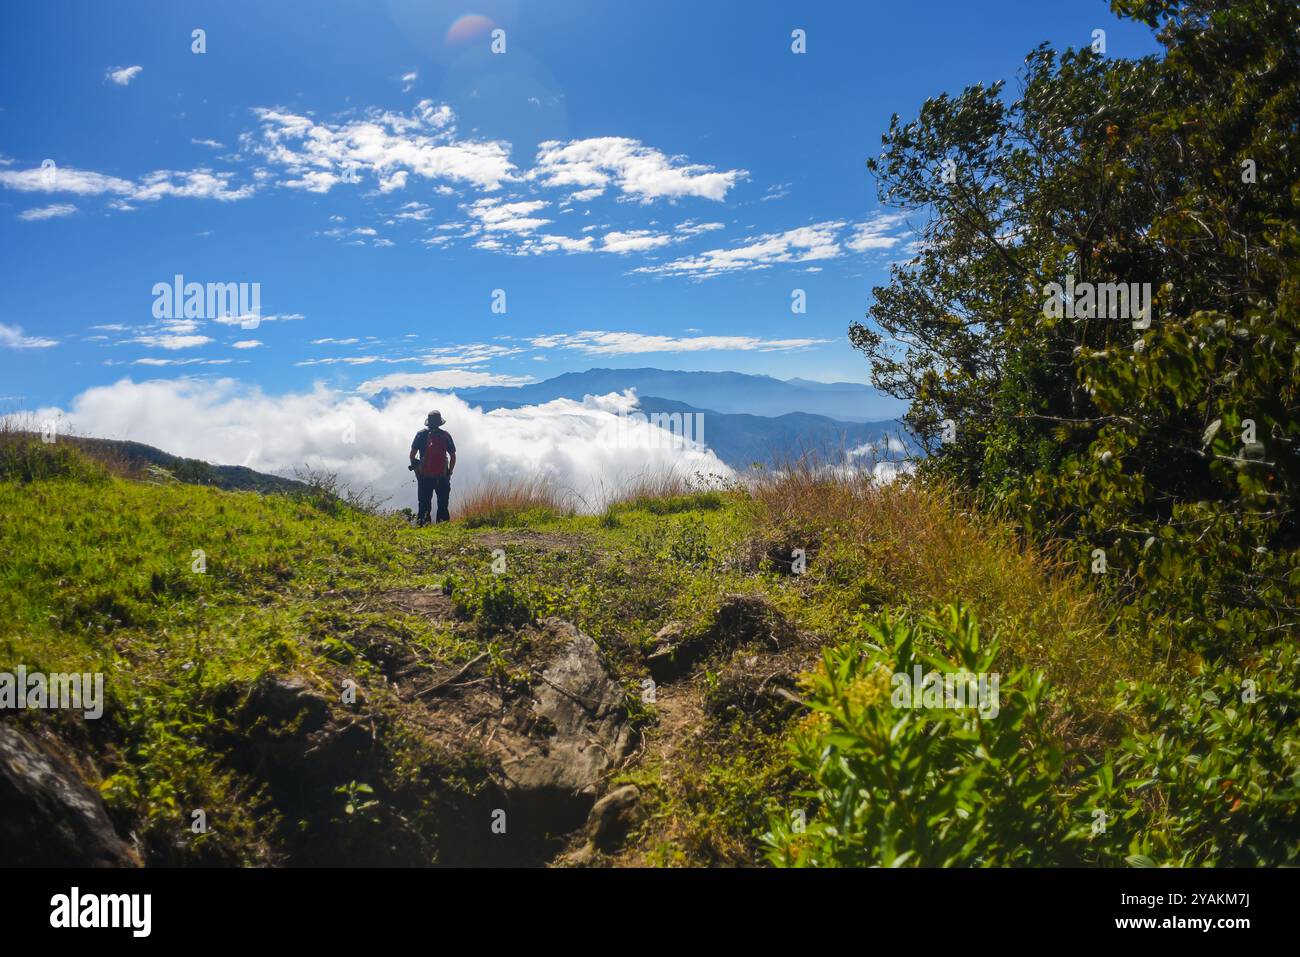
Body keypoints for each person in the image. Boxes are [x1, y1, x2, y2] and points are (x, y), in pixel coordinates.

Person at [409, 410, 456, 525]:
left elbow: (412, 456)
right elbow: (453, 455)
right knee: (443, 505)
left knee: (424, 505)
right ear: (440, 422)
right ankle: (443, 527)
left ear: (428, 422)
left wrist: (417, 472)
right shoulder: (446, 435)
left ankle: (424, 527)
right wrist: (449, 472)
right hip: (442, 476)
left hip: (425, 477)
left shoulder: (420, 434)